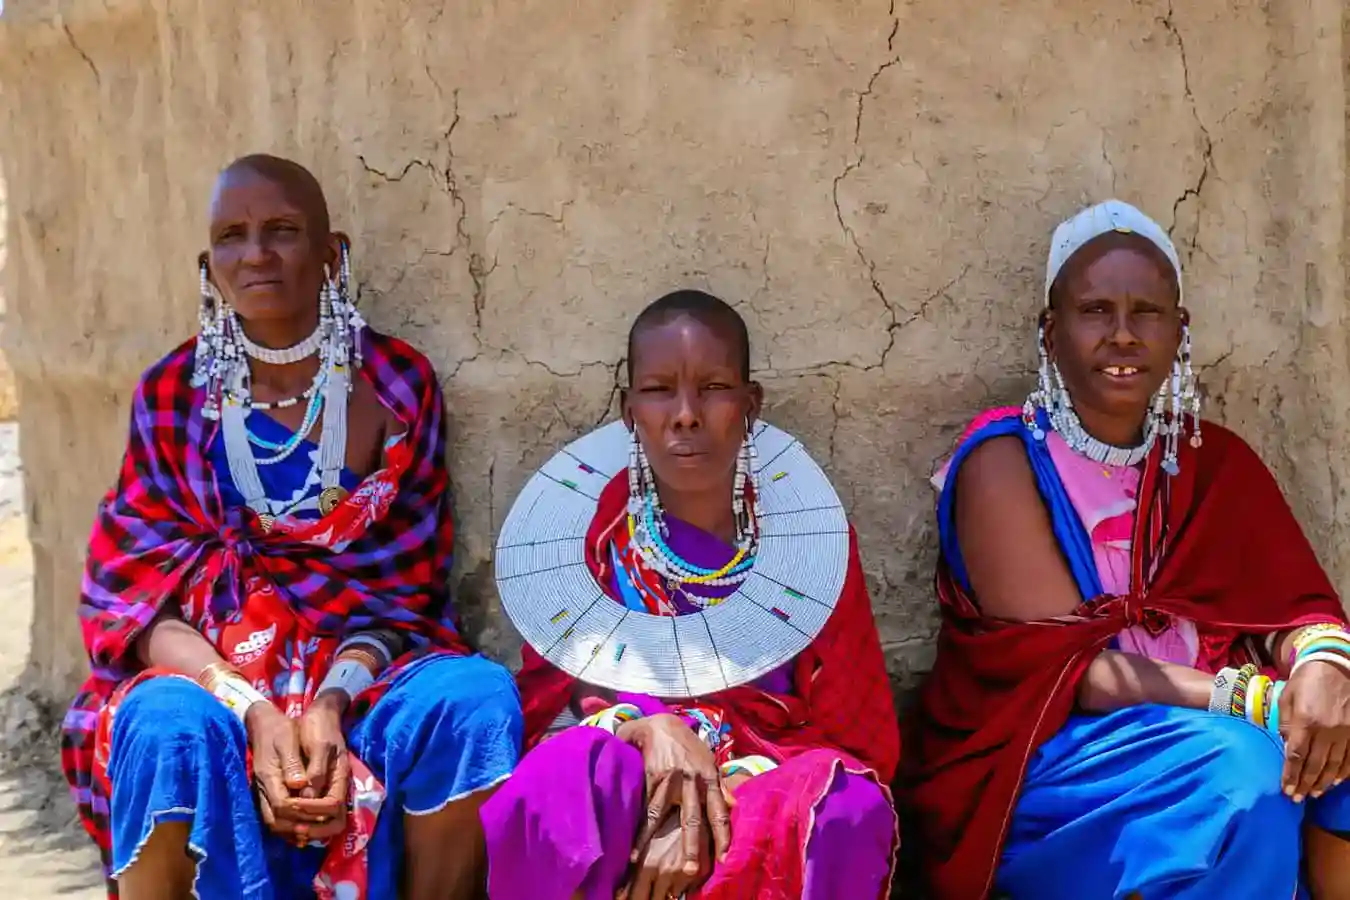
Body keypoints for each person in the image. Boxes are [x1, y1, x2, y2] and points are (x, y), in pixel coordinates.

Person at [59, 154, 522, 900]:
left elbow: (401, 594)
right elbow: (140, 599)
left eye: (281, 230)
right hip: (211, 672)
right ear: (208, 265)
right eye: (232, 236)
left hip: (359, 672)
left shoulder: (397, 387)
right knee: (163, 720)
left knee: (473, 699)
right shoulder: (172, 394)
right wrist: (255, 707)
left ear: (332, 254)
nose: (256, 254)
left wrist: (329, 704)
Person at [905, 199, 1350, 899]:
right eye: (1095, 312)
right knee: (1244, 772)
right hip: (1054, 761)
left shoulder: (1214, 461)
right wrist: (1266, 702)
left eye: (1146, 313)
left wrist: (1324, 670)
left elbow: (1295, 607)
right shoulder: (1004, 463)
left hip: (1220, 732)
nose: (1122, 335)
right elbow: (1072, 674)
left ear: (1180, 332)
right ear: (1050, 335)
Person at [480, 290, 900, 900]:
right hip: (629, 762)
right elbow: (552, 700)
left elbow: (855, 734)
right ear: (629, 412)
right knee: (564, 776)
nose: (685, 414)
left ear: (750, 405)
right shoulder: (591, 539)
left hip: (763, 774)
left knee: (847, 805)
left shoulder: (811, 546)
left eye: (713, 388)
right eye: (658, 390)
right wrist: (649, 725)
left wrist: (708, 799)